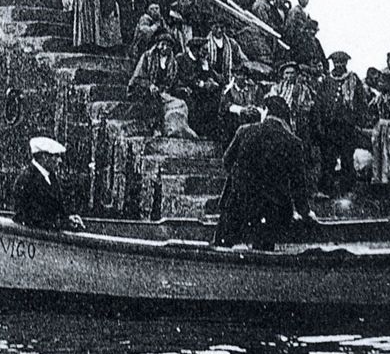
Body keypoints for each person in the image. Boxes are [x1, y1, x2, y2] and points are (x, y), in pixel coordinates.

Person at [214, 96, 318, 249]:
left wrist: (243, 178)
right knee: (263, 251)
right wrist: (305, 212)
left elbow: (227, 161)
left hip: (237, 202)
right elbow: (298, 186)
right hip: (271, 210)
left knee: (222, 247)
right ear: (285, 119)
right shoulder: (293, 142)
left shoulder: (244, 131)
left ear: (266, 112)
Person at [128, 33, 198, 139]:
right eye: (163, 44)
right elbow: (137, 78)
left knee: (181, 103)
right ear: (158, 45)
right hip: (143, 89)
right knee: (153, 100)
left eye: (168, 46)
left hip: (163, 93)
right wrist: (150, 85)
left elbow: (174, 83)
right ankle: (155, 128)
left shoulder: (173, 63)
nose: (165, 48)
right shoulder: (147, 57)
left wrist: (183, 89)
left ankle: (174, 129)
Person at [316, 50, 366, 196]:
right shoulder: (326, 81)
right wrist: (320, 124)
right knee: (328, 158)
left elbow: (361, 102)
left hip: (347, 126)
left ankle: (347, 189)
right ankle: (326, 189)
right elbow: (319, 103)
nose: (338, 65)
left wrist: (357, 121)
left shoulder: (353, 80)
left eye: (341, 62)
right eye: (336, 62)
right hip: (330, 126)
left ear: (346, 63)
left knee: (347, 158)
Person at [12, 136, 86, 231]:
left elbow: (55, 209)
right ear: (44, 157)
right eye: (56, 156)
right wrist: (63, 223)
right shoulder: (26, 179)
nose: (59, 160)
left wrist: (68, 218)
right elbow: (32, 218)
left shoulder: (51, 177)